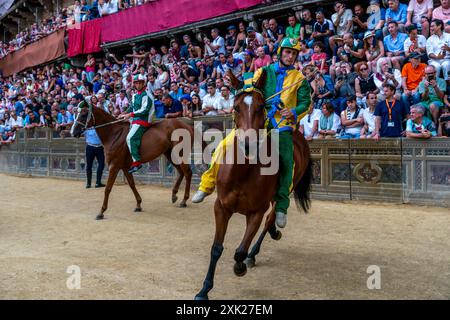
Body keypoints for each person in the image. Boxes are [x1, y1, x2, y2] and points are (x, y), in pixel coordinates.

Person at [192, 38, 311, 229]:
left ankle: (281, 206)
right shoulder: (264, 71)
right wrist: (239, 87)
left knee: (288, 162)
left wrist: (295, 111)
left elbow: (306, 103)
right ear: (281, 53)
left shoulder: (300, 80)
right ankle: (206, 185)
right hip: (258, 120)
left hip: (282, 125)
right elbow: (250, 87)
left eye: (294, 54)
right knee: (223, 145)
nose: (290, 56)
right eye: (288, 52)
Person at [118, 74, 154, 173]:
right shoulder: (135, 95)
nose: (137, 85)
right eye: (136, 83)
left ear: (143, 83)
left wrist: (130, 114)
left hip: (143, 120)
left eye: (139, 83)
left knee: (130, 138)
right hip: (135, 119)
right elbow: (132, 107)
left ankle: (137, 163)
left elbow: (144, 111)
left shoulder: (147, 95)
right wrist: (124, 113)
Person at [84, 124, 105, 189]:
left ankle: (98, 182)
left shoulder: (100, 127)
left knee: (101, 164)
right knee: (89, 165)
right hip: (90, 147)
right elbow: (78, 133)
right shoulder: (86, 128)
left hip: (100, 147)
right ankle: (88, 183)